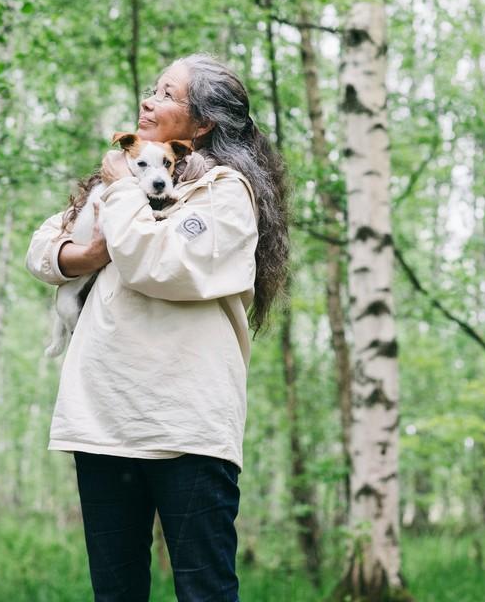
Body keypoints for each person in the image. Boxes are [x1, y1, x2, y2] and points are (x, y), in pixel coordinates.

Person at [25, 53, 290, 601]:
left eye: (167, 94)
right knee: (115, 591)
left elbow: (160, 265)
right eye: (151, 89)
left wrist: (122, 191)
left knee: (204, 591)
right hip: (103, 414)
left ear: (203, 124)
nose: (148, 100)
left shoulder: (224, 193)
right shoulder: (124, 176)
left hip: (186, 422)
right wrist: (89, 252)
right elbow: (43, 247)